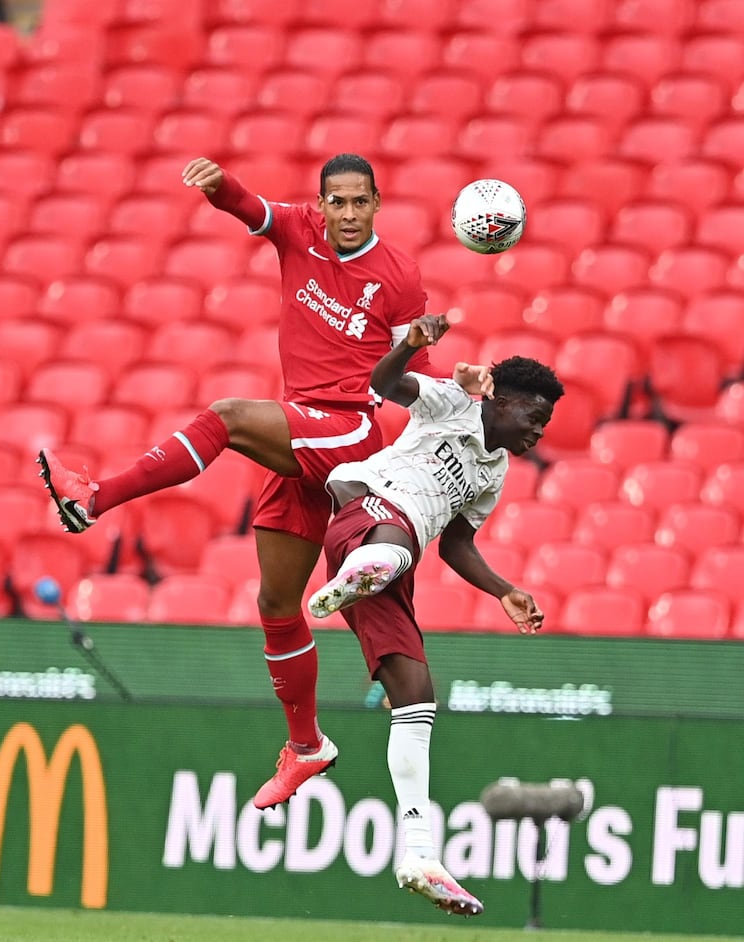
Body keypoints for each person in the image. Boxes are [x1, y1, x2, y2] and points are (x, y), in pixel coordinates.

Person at [36, 153, 494, 810]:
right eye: (336, 201)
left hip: (347, 429)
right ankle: (306, 747)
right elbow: (249, 208)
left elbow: (413, 374)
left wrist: (464, 384)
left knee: (225, 417)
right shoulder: (298, 229)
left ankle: (97, 496)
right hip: (300, 432)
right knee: (277, 607)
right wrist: (219, 185)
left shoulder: (397, 275)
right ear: (322, 203)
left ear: (377, 203)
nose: (347, 213)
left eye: (359, 201)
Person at [306, 316, 564, 917]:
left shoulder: (492, 476)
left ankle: (418, 853)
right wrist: (413, 346)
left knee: (417, 695)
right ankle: (365, 568)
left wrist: (504, 590)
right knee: (395, 540)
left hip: (397, 561)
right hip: (364, 508)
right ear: (505, 399)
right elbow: (387, 382)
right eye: (535, 416)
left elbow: (455, 545)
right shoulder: (453, 400)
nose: (539, 432)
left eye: (546, 423)